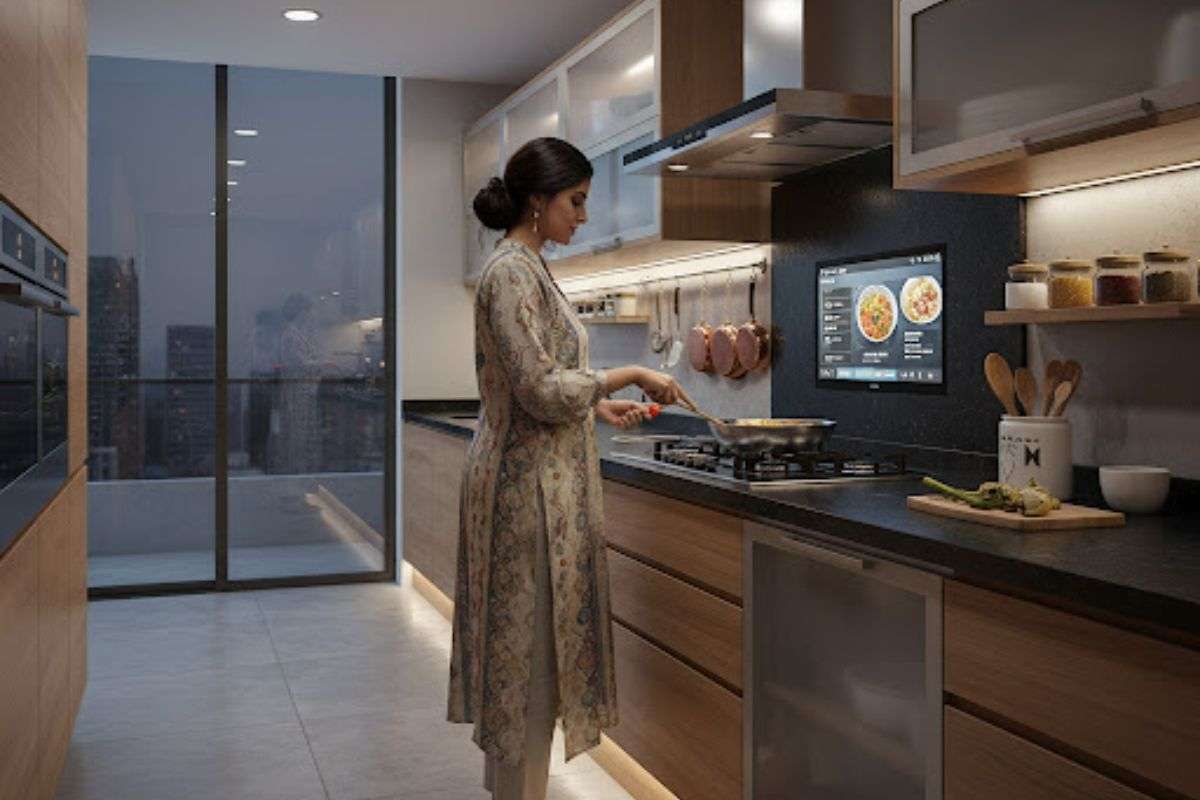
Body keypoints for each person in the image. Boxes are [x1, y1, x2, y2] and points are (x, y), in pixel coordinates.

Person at [447, 137, 681, 800]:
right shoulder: (513, 271)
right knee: (528, 670)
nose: (581, 216)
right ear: (537, 200)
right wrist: (630, 372)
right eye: (575, 201)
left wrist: (598, 406)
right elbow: (542, 390)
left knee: (528, 668)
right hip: (527, 500)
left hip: (532, 483)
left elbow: (545, 381)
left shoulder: (528, 267)